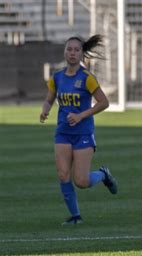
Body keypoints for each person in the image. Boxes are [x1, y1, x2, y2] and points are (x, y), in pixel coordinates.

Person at [40, 34, 118, 225]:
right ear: (65, 52)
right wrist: (45, 110)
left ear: (82, 53)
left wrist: (81, 115)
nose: (72, 53)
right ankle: (76, 217)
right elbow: (50, 97)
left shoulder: (87, 78)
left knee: (81, 181)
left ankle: (103, 174)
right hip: (63, 132)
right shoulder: (57, 77)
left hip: (83, 133)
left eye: (76, 50)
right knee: (62, 174)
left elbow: (104, 102)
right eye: (69, 49)